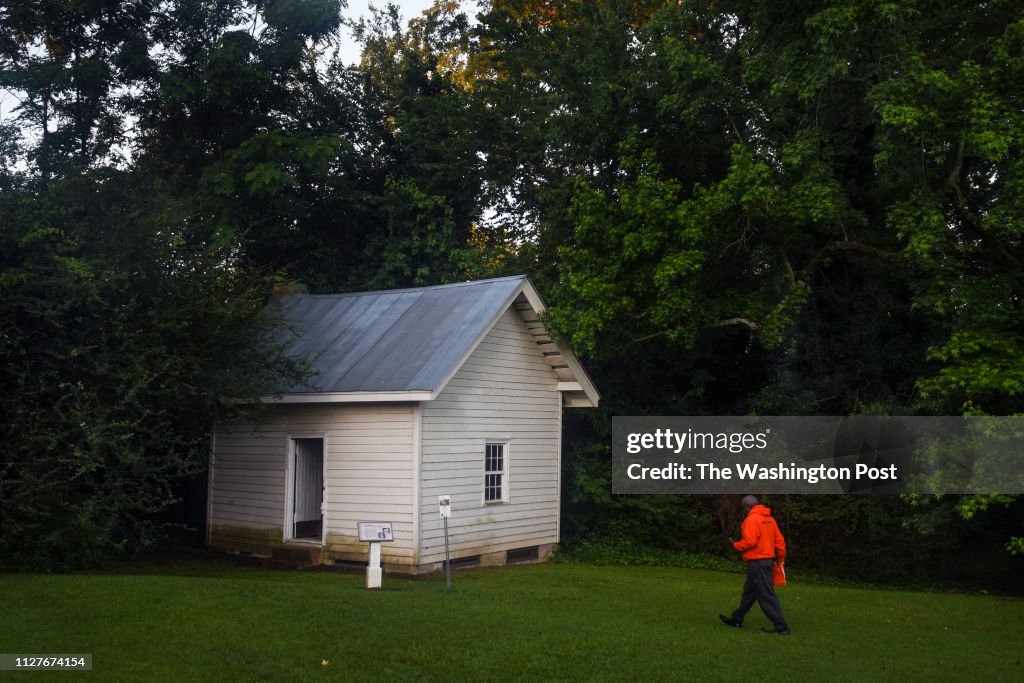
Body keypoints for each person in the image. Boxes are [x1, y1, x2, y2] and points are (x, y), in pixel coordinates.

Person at [719, 495, 790, 635]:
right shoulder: (770, 519)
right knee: (749, 593)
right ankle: (737, 619)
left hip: (757, 562)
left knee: (766, 595)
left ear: (747, 507)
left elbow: (750, 541)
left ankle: (781, 627)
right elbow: (779, 541)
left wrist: (736, 545)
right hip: (766, 561)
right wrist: (780, 557)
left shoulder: (751, 519)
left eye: (743, 508)